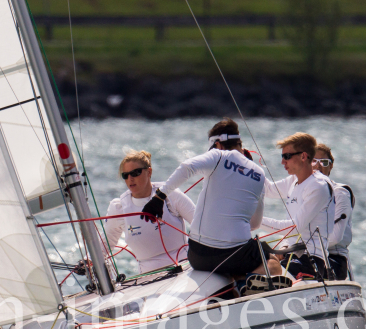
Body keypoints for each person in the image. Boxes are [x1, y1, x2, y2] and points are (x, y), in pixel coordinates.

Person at [140, 118, 282, 279]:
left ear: (217, 145)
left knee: (236, 258)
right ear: (240, 143)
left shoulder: (218, 156)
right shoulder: (259, 173)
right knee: (272, 261)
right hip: (236, 255)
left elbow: (187, 167)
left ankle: (240, 283)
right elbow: (255, 224)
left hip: (198, 256)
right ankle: (244, 283)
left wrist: (159, 197)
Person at [103, 150, 196, 274]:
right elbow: (105, 244)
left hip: (184, 267)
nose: (130, 179)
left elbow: (199, 222)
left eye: (135, 173)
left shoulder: (170, 194)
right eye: (125, 175)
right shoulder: (119, 207)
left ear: (149, 172)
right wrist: (87, 261)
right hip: (148, 277)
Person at [259, 132, 335, 280]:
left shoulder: (318, 186)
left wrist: (255, 221)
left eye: (287, 156)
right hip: (290, 254)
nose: (282, 162)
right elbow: (266, 189)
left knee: (266, 274)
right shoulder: (293, 180)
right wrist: (245, 164)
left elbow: (293, 228)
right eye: (282, 156)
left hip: (311, 260)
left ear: (303, 156)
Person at [314, 143, 355, 281]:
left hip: (333, 260)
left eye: (324, 162)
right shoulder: (302, 193)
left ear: (331, 166)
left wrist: (306, 248)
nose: (318, 166)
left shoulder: (340, 193)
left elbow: (336, 237)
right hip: (309, 256)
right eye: (314, 161)